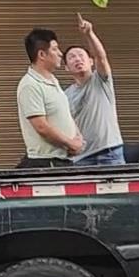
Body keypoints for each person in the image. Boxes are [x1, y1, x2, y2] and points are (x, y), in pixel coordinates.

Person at [16, 27, 86, 165]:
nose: (60, 54)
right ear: (42, 54)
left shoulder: (53, 80)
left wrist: (77, 138)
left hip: (64, 157)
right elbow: (41, 127)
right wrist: (70, 143)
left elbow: (65, 115)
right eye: (55, 49)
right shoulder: (30, 85)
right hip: (46, 161)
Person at [64, 13, 125, 167]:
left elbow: (102, 57)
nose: (77, 59)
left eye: (81, 55)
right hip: (81, 158)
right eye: (72, 57)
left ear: (91, 61)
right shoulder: (64, 95)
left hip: (110, 152)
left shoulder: (100, 80)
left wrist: (89, 34)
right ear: (66, 67)